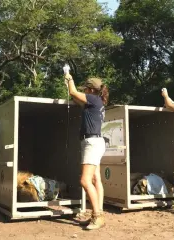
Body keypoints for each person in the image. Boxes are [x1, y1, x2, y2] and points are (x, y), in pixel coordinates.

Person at [64, 74, 109, 230]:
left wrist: (69, 78)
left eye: (86, 89)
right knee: (96, 179)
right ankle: (98, 214)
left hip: (92, 142)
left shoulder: (94, 100)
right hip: (95, 141)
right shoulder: (97, 103)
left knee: (85, 181)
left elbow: (73, 93)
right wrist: (69, 85)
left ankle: (97, 216)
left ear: (90, 90)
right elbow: (77, 98)